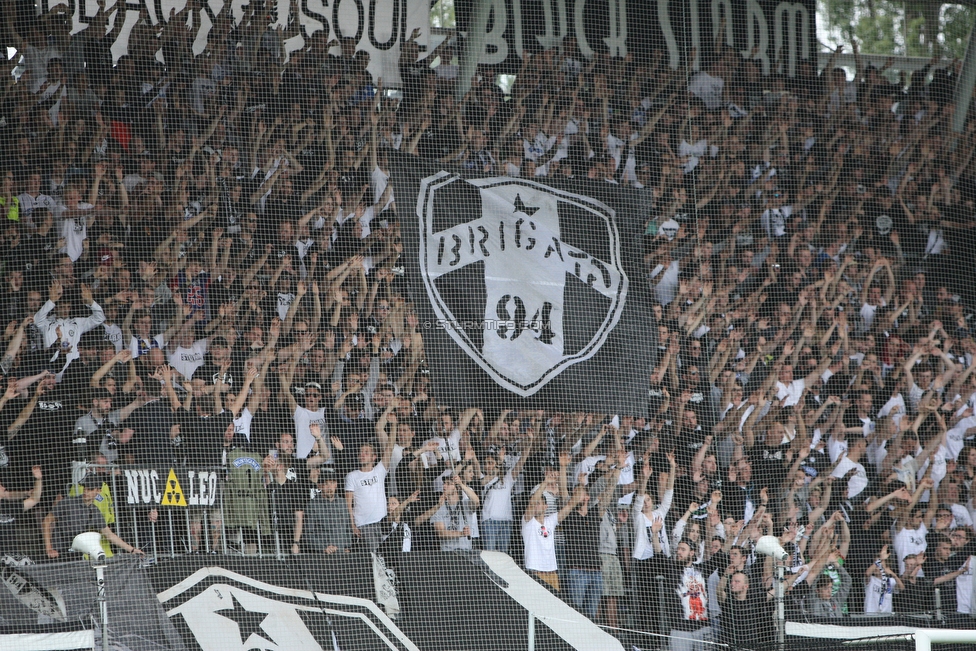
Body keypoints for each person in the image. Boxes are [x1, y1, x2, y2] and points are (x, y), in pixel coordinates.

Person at [41, 473, 143, 559]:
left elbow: (109, 534)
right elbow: (46, 521)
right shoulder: (67, 502)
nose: (86, 491)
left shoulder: (95, 511)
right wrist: (49, 548)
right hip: (58, 552)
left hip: (77, 554)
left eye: (90, 489)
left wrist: (132, 549)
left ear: (98, 491)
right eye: (85, 488)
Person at [344, 404, 395, 551]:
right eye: (361, 452)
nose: (362, 454)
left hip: (383, 522)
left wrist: (393, 426)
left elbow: (390, 448)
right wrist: (352, 524)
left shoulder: (379, 470)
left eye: (366, 452)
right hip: (364, 524)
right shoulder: (352, 476)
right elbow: (349, 504)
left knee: (387, 558)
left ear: (374, 457)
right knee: (373, 559)